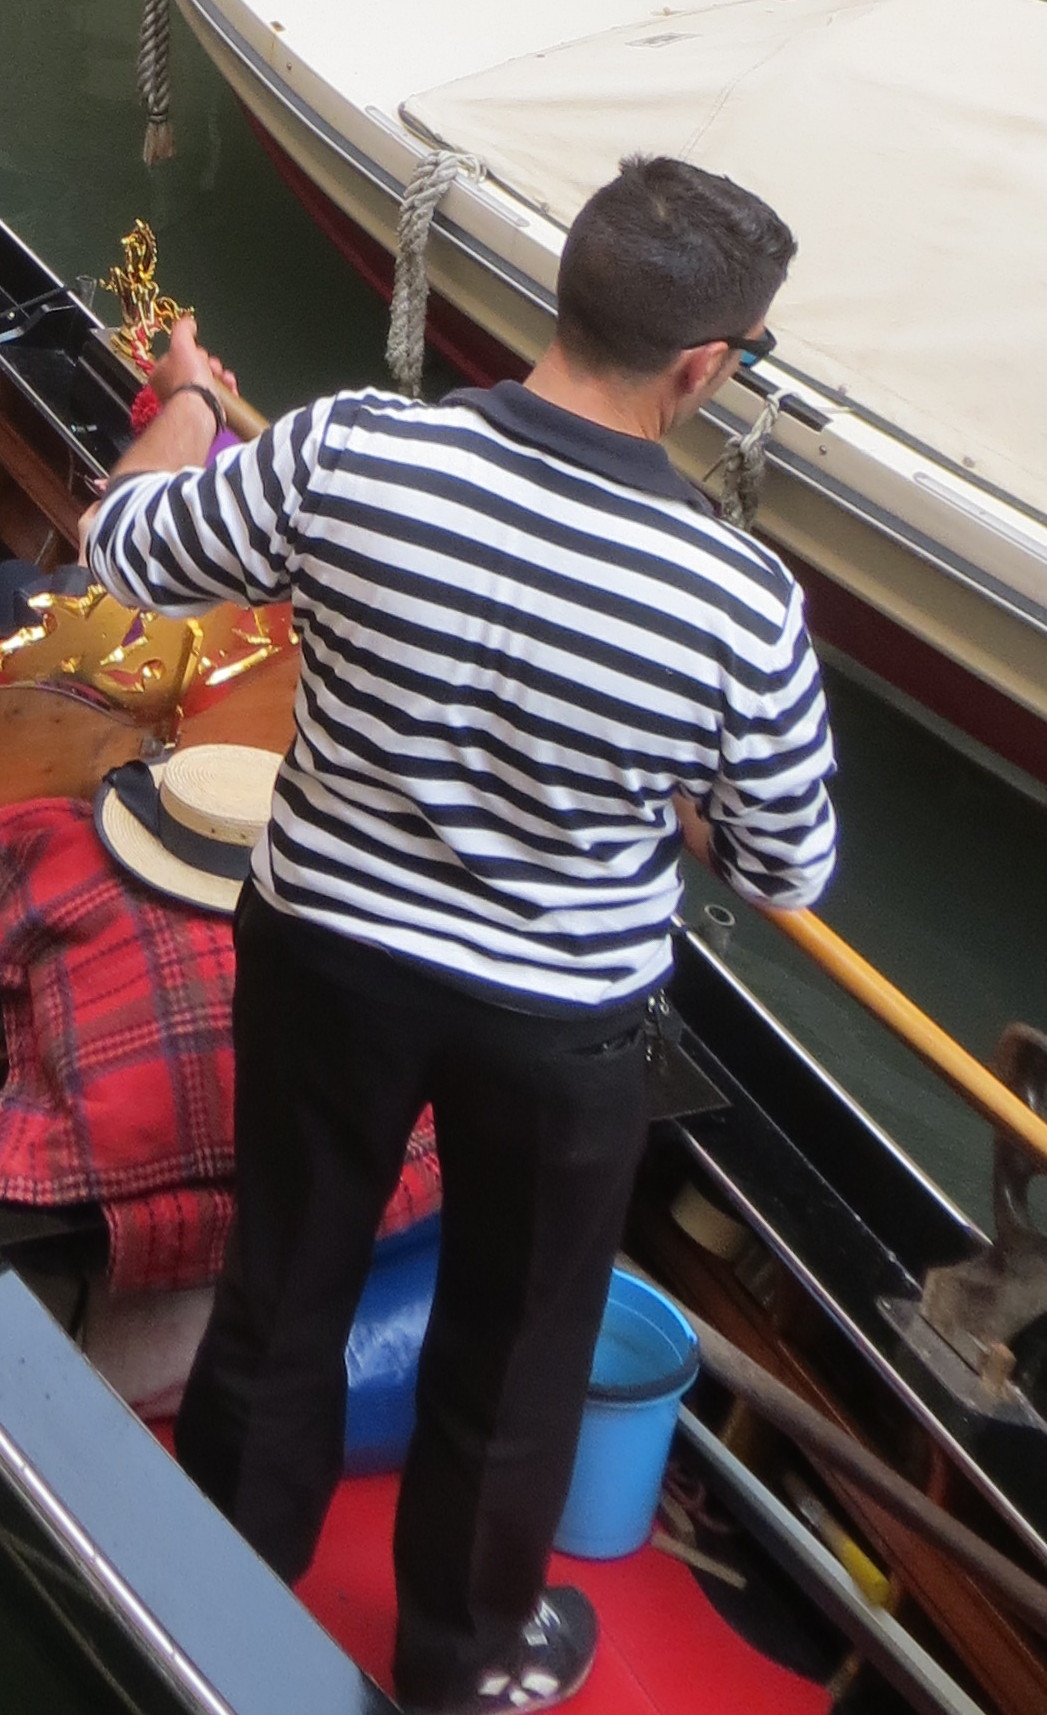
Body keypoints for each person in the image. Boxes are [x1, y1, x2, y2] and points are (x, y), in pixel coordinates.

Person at [80, 157, 837, 1715]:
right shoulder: (741, 603)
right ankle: (465, 1661)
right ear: (705, 365)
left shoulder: (350, 451)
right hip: (558, 1028)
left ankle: (213, 1611)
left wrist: (192, 404)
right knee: (515, 1350)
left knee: (284, 1283)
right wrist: (665, 789)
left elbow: (124, 547)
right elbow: (784, 867)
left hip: (328, 957)